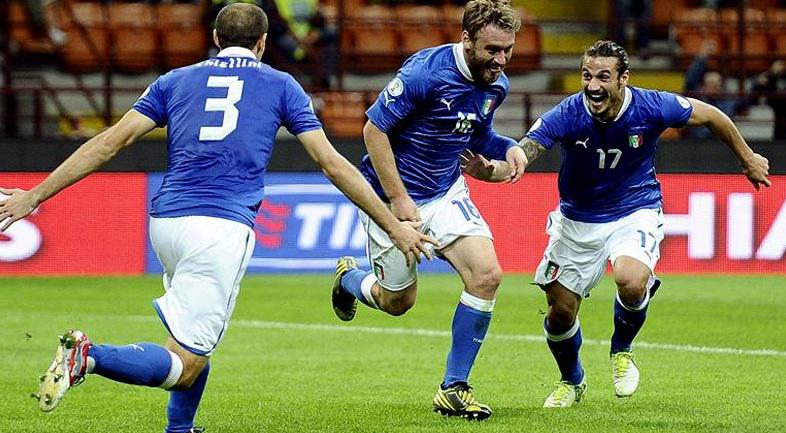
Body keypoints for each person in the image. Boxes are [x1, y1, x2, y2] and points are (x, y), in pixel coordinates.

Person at [0, 4, 436, 432]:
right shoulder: (281, 85)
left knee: (193, 340)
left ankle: (181, 428)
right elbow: (332, 164)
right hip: (219, 229)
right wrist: (393, 225)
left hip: (166, 223)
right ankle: (89, 356)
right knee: (186, 364)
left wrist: (35, 194)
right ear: (263, 42)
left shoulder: (174, 80)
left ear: (215, 39)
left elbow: (108, 143)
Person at [464, 40, 770, 408]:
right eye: (587, 76)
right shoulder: (567, 114)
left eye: (603, 77)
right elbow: (524, 153)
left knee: (631, 279)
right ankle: (572, 380)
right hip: (577, 219)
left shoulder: (652, 106)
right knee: (560, 314)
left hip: (634, 208)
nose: (592, 86)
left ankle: (621, 350)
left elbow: (712, 115)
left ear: (624, 78)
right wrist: (493, 171)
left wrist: (747, 158)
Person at [329, 0, 527, 421]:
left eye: (508, 49)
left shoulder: (496, 84)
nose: (501, 60)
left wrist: (508, 147)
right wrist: (399, 199)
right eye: (492, 49)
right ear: (467, 39)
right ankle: (349, 280)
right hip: (391, 198)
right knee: (397, 302)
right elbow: (374, 130)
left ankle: (453, 387)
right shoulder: (426, 72)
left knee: (487, 276)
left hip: (446, 191)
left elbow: (478, 132)